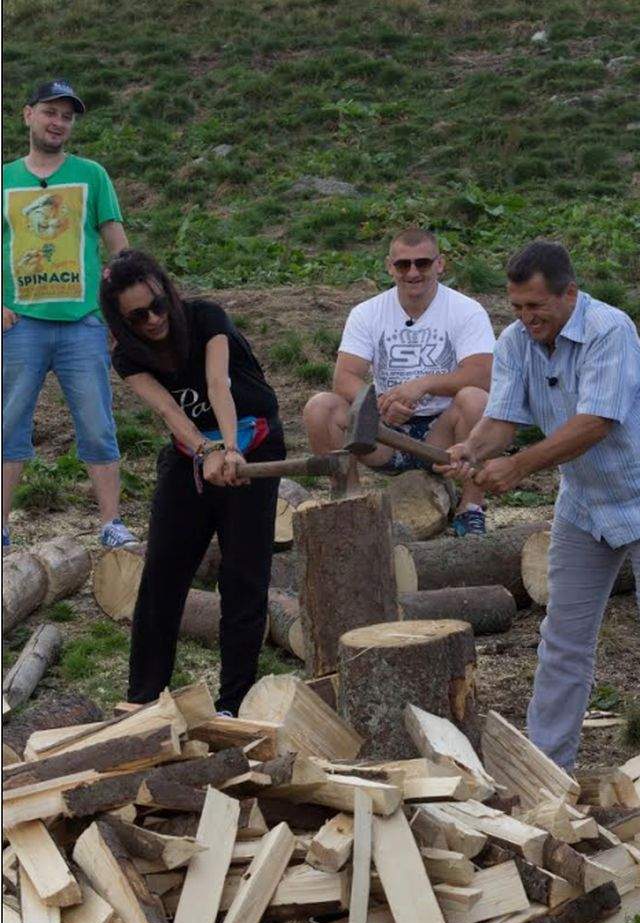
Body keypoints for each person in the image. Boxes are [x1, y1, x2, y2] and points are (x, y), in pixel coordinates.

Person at [437, 240, 640, 771]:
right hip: (585, 504)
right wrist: (472, 449)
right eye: (518, 308)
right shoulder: (515, 341)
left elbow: (597, 421)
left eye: (537, 307)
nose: (527, 319)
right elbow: (502, 417)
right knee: (563, 639)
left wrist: (521, 465)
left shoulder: (610, 330)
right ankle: (548, 769)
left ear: (569, 292)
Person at [100, 249, 285, 715]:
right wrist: (205, 452)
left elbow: (218, 384)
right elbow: (168, 410)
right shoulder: (128, 357)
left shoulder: (205, 317)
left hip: (254, 443)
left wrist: (230, 450)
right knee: (162, 573)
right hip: (190, 455)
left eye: (158, 305)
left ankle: (233, 703)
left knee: (244, 574)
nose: (154, 319)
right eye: (138, 316)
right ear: (123, 322)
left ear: (167, 292)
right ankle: (143, 699)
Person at [2, 79, 135, 547]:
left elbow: (119, 250)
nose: (58, 123)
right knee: (8, 423)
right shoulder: (5, 178)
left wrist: (124, 315)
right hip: (20, 325)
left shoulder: (92, 174)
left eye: (67, 116)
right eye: (50, 112)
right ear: (28, 115)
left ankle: (111, 524)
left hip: (83, 324)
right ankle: (1, 528)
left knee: (98, 424)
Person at [303, 227, 495, 535]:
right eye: (403, 264)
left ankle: (471, 507)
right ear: (389, 267)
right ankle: (349, 505)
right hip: (385, 432)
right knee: (320, 407)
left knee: (476, 398)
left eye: (423, 263)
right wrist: (378, 404)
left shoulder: (467, 311)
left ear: (440, 264)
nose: (413, 272)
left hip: (443, 434)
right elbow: (345, 378)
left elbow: (482, 374)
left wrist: (422, 385)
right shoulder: (367, 312)